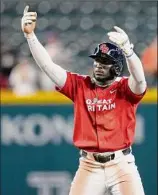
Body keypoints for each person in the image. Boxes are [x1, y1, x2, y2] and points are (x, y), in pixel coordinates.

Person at [21, 5, 147, 195]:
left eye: (105, 62)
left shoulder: (124, 88)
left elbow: (140, 79)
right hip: (89, 165)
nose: (98, 65)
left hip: (122, 165)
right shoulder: (81, 85)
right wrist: (30, 36)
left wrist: (129, 51)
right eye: (97, 60)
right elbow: (47, 66)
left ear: (117, 67)